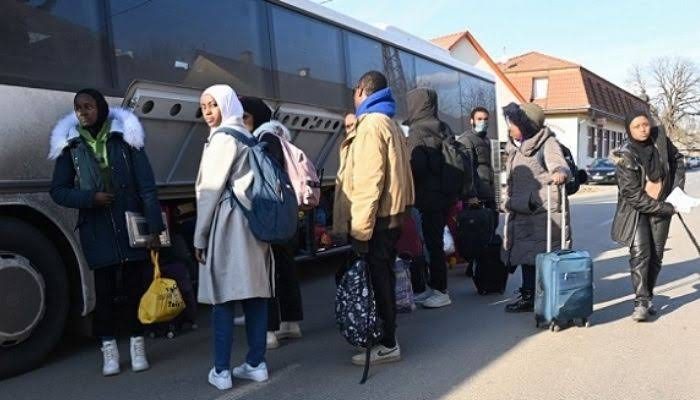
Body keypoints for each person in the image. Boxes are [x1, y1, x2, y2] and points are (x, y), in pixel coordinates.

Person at [49, 89, 164, 376]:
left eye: (88, 106)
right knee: (105, 293)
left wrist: (155, 229)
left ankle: (137, 345)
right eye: (78, 108)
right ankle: (109, 349)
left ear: (100, 107)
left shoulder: (125, 136)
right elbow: (58, 190)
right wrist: (90, 198)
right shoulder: (70, 145)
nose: (83, 112)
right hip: (96, 229)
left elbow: (146, 186)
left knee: (134, 289)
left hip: (129, 225)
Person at [194, 85, 273, 390]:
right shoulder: (248, 135)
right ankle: (256, 363)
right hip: (254, 222)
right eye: (204, 106)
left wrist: (200, 237)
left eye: (214, 104)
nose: (208, 111)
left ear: (226, 105)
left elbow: (209, 193)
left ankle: (222, 371)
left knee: (223, 296)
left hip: (228, 224)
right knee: (255, 294)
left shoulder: (223, 139)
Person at [333, 70, 414, 366]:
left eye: (354, 92)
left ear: (361, 91)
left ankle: (388, 343)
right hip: (391, 215)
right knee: (383, 276)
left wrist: (360, 230)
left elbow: (369, 182)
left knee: (378, 279)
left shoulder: (370, 126)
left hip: (377, 219)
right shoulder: (389, 122)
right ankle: (387, 337)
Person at [240, 96, 304, 349]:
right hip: (285, 210)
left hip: (269, 211)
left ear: (256, 117)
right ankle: (290, 321)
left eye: (245, 116)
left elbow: (262, 177)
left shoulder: (263, 139)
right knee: (285, 266)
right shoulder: (278, 136)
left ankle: (269, 329)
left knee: (266, 269)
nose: (241, 121)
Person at [610, 111, 685, 322]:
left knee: (656, 256)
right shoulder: (625, 155)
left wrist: (676, 190)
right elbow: (633, 196)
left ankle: (648, 297)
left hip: (663, 205)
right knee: (641, 255)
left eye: (645, 124)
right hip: (636, 211)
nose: (643, 129)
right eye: (637, 126)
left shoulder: (660, 143)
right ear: (629, 130)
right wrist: (665, 208)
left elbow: (678, 160)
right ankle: (641, 303)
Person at [500, 102, 570, 313]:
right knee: (526, 256)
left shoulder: (547, 143)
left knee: (541, 256)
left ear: (526, 125)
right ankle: (529, 295)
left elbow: (559, 163)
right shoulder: (515, 146)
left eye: (513, 123)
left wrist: (560, 172)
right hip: (521, 210)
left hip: (541, 211)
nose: (510, 127)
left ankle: (545, 297)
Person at [405, 87, 455, 309]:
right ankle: (436, 287)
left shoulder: (417, 131)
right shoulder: (443, 127)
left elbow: (417, 166)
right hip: (445, 194)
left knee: (433, 244)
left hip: (428, 196)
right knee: (436, 244)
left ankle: (440, 291)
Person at [457, 107, 498, 276]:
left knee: (491, 227)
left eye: (486, 119)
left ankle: (484, 264)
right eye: (479, 119)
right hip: (477, 195)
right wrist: (471, 195)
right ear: (471, 121)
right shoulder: (467, 140)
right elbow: (468, 170)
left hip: (488, 192)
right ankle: (474, 265)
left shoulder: (486, 140)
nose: (483, 122)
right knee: (476, 232)